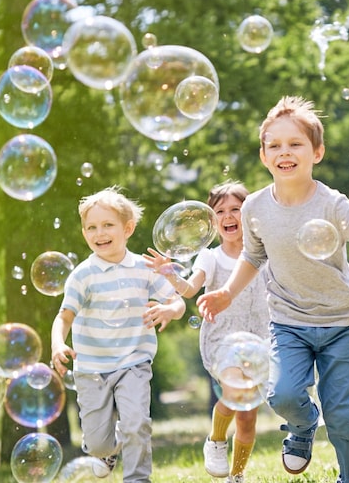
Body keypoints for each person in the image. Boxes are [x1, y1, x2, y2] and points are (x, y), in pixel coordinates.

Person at [196, 96, 349, 483]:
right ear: (264, 156)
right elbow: (253, 256)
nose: (285, 152)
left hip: (339, 321)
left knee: (343, 415)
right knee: (282, 395)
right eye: (275, 146)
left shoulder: (332, 203)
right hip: (288, 321)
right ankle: (303, 427)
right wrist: (227, 294)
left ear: (316, 152)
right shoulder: (253, 207)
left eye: (296, 144)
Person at [50, 186, 186, 482]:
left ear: (127, 228)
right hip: (91, 369)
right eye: (92, 227)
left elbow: (178, 300)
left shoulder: (144, 268)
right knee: (97, 442)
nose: (100, 233)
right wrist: (58, 343)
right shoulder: (82, 275)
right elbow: (64, 316)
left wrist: (169, 310)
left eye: (108, 225)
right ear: (84, 232)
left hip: (134, 362)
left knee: (136, 423)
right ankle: (107, 451)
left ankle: (137, 478)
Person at [144, 181, 270, 483]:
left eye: (236, 209)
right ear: (213, 221)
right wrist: (171, 274)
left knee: (248, 415)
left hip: (262, 338)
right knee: (234, 392)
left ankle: (236, 476)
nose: (228, 216)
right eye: (221, 211)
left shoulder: (266, 252)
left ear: (249, 214)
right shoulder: (210, 258)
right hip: (223, 339)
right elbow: (189, 289)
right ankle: (215, 439)